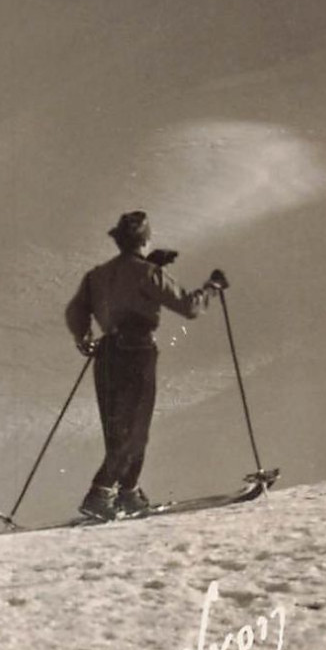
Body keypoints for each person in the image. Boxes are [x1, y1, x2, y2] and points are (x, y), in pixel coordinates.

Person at [64, 211, 221, 520]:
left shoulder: (97, 274)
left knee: (117, 430)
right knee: (135, 430)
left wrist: (84, 336)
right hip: (136, 353)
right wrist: (212, 288)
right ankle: (101, 493)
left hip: (106, 354)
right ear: (146, 240)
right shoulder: (148, 273)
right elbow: (189, 307)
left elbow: (76, 310)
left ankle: (127, 493)